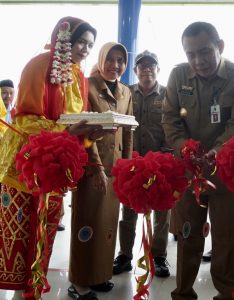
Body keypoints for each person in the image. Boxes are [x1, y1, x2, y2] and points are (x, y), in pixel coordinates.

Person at [0, 17, 98, 298]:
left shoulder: (80, 76)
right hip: (23, 166)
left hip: (54, 166)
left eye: (90, 45)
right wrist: (67, 130)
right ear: (65, 39)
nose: (85, 49)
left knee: (47, 225)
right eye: (81, 42)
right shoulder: (39, 65)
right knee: (19, 229)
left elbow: (75, 123)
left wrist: (91, 135)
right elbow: (27, 120)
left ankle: (32, 290)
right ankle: (18, 292)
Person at [162, 21, 234, 300]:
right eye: (190, 54)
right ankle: (183, 292)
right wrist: (184, 150)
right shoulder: (178, 76)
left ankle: (226, 293)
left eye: (204, 52)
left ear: (220, 47)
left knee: (227, 238)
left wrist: (214, 153)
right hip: (190, 170)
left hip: (227, 172)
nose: (198, 61)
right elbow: (169, 120)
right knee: (187, 234)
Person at [68, 42, 133, 300]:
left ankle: (99, 274)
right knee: (87, 223)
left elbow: (129, 131)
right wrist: (95, 168)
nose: (115, 66)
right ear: (101, 58)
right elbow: (84, 130)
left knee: (107, 225)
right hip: (91, 168)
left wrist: (126, 166)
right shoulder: (87, 85)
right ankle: (80, 281)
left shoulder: (126, 92)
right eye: (110, 59)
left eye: (120, 60)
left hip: (115, 168)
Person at [113, 50, 172, 278]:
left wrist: (168, 156)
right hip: (133, 161)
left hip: (161, 161)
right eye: (142, 66)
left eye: (151, 65)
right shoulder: (126, 93)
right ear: (135, 70)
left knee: (162, 212)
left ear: (158, 69)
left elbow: (174, 124)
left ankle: (159, 257)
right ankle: (125, 255)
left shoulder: (168, 94)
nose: (147, 69)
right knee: (128, 210)